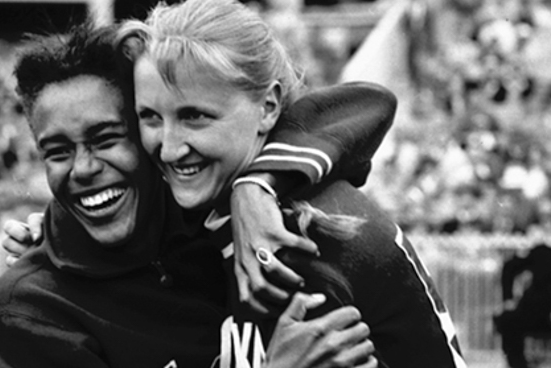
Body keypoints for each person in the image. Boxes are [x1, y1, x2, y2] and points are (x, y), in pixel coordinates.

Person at [0, 24, 383, 368]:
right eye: (57, 152)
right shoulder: (32, 309)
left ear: (149, 131)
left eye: (106, 139)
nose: (84, 168)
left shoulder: (208, 211)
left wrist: (258, 185)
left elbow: (366, 104)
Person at [122, 0, 465, 365]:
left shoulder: (301, 245)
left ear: (268, 108)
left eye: (195, 116)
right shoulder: (234, 206)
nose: (170, 149)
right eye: (150, 117)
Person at [494, 243, 551, 368]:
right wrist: (507, 300)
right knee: (506, 320)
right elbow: (510, 267)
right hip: (534, 311)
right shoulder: (542, 255)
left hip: (539, 312)